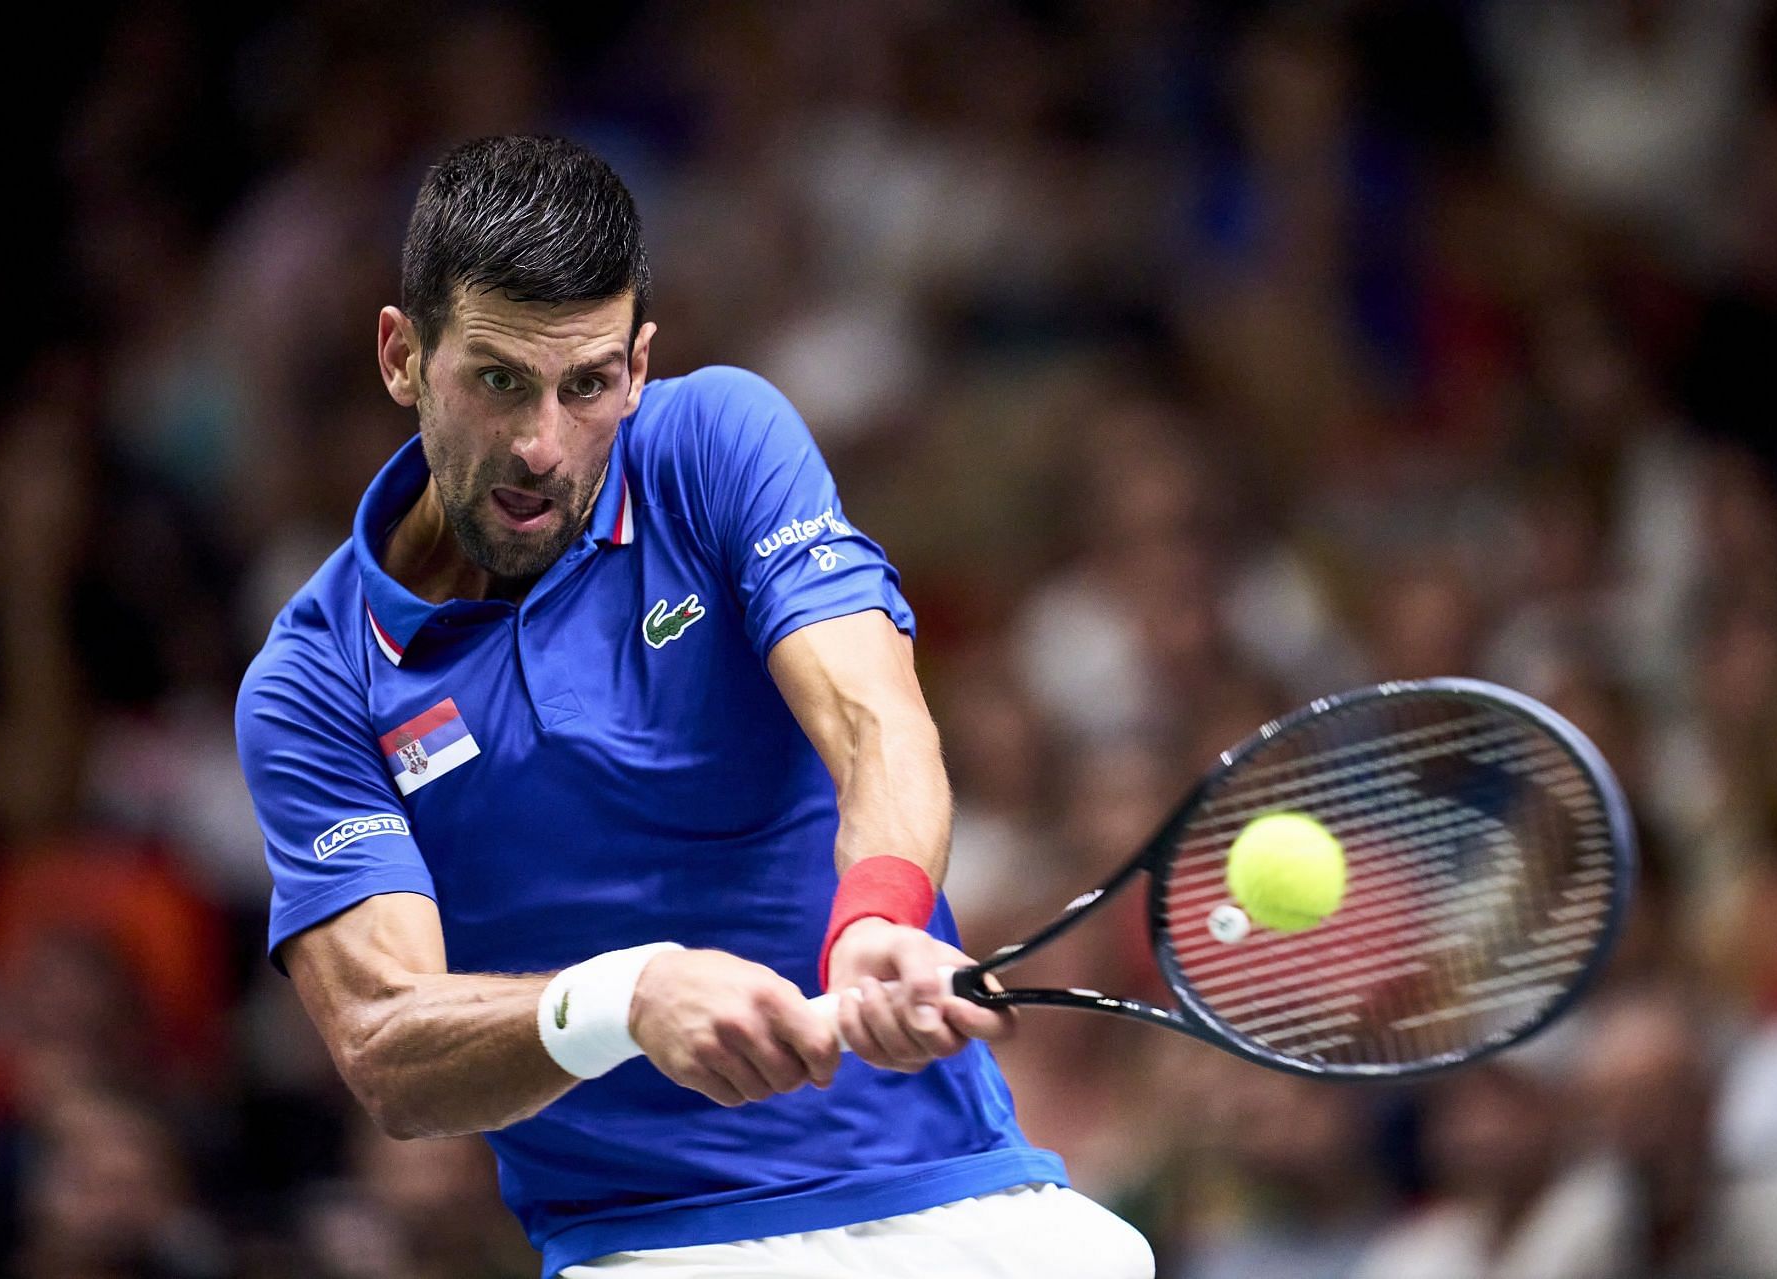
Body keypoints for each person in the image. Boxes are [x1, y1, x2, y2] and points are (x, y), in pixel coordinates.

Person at [234, 135, 1154, 1279]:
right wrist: (626, 996)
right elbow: (387, 1045)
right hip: (656, 1247)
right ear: (401, 356)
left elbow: (873, 715)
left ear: (638, 362)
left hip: (966, 1198)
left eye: (589, 384)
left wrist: (875, 916)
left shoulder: (715, 441)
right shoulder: (317, 679)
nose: (540, 445)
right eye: (498, 379)